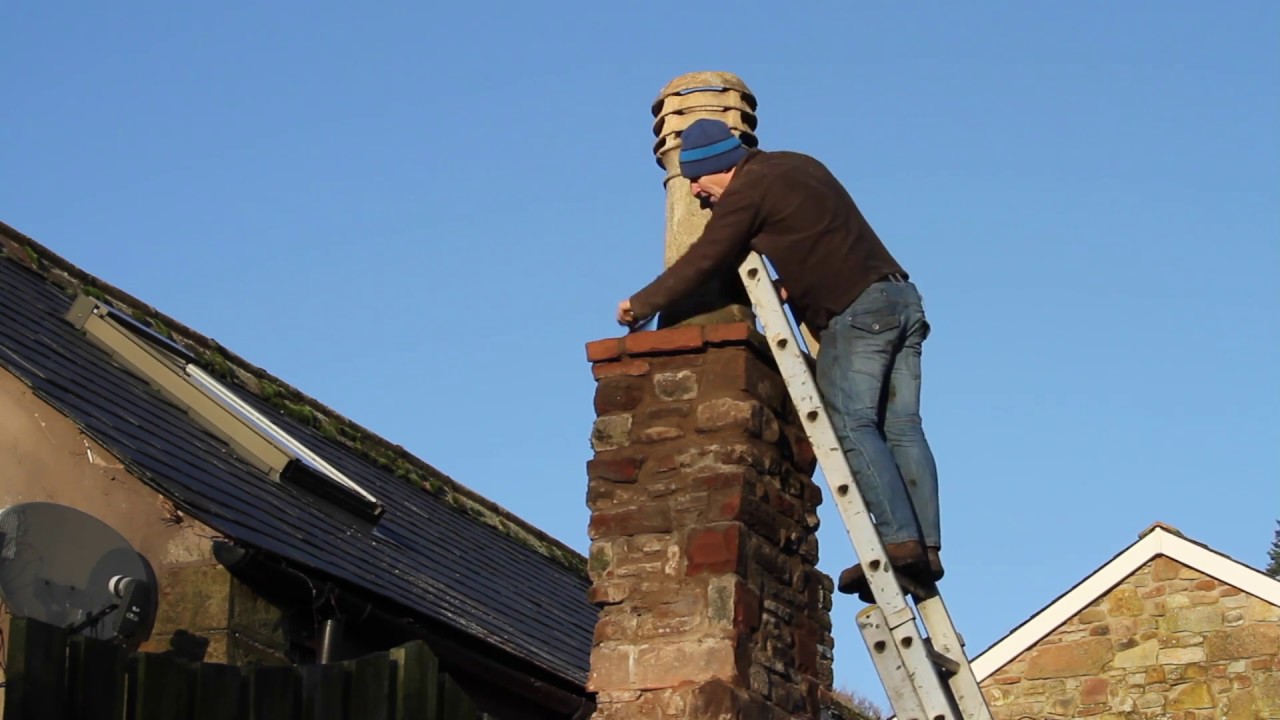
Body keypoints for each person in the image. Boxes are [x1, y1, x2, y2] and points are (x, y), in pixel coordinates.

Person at [616, 118, 943, 598]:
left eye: (697, 181)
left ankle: (898, 543)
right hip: (899, 300)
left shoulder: (748, 191)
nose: (697, 194)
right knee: (901, 428)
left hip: (858, 314)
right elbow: (823, 234)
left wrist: (641, 305)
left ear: (718, 166)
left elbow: (708, 256)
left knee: (850, 423)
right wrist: (795, 284)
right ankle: (924, 551)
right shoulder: (796, 165)